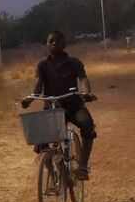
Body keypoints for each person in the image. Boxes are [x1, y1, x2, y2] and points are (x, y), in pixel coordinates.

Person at [20, 30, 98, 180]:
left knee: (87, 124)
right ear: (47, 45)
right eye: (51, 41)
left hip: (74, 105)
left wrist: (87, 92)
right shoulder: (42, 65)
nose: (54, 43)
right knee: (41, 138)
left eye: (58, 40)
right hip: (52, 108)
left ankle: (82, 166)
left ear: (65, 44)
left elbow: (83, 79)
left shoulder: (75, 63)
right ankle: (51, 173)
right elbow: (37, 85)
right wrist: (29, 99)